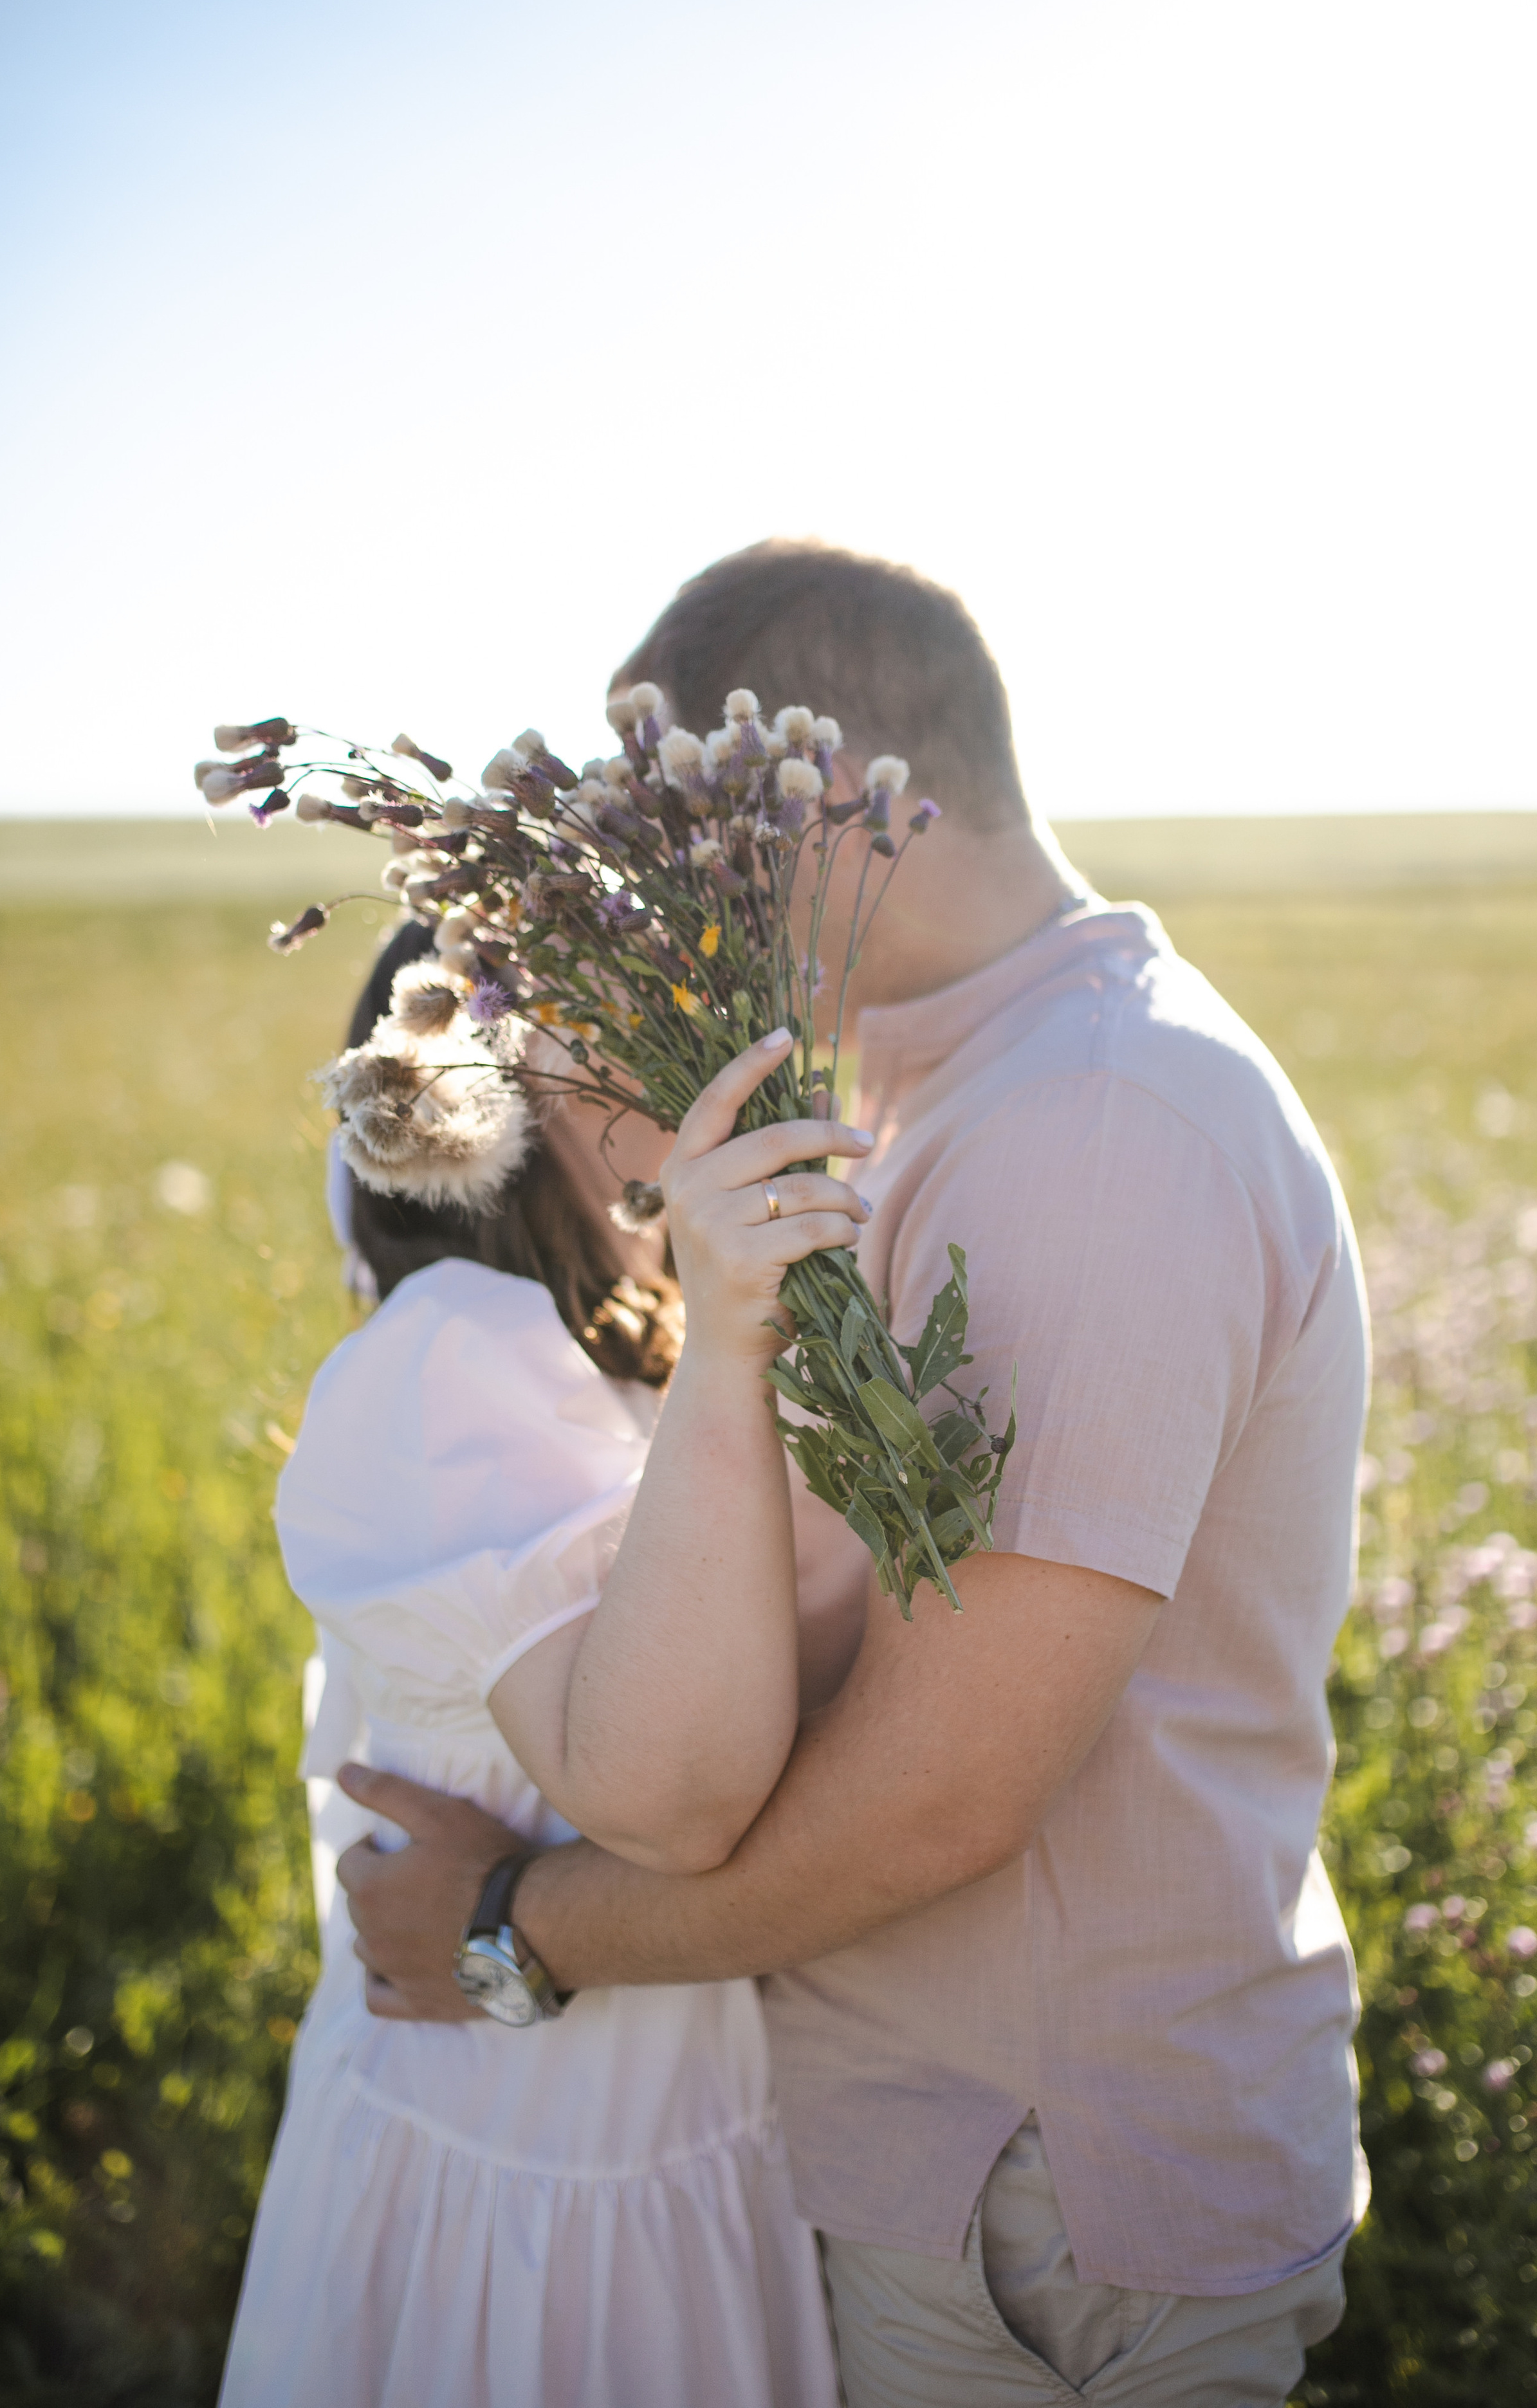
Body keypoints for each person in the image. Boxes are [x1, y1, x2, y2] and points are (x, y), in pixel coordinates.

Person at [338, 540, 1371, 2407]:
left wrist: (513, 1930)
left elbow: (946, 1792)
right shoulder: (949, 1092)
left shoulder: (1092, 1122)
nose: (646, 899)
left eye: (672, 831)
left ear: (810, 792)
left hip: (1045, 2204)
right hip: (967, 2177)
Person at [217, 922, 853, 2407]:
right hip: (531, 2199)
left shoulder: (609, 1360)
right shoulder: (454, 1359)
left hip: (672, 2146)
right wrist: (731, 1345)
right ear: (494, 1097)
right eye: (618, 1040)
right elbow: (671, 1799)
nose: (674, 1074)